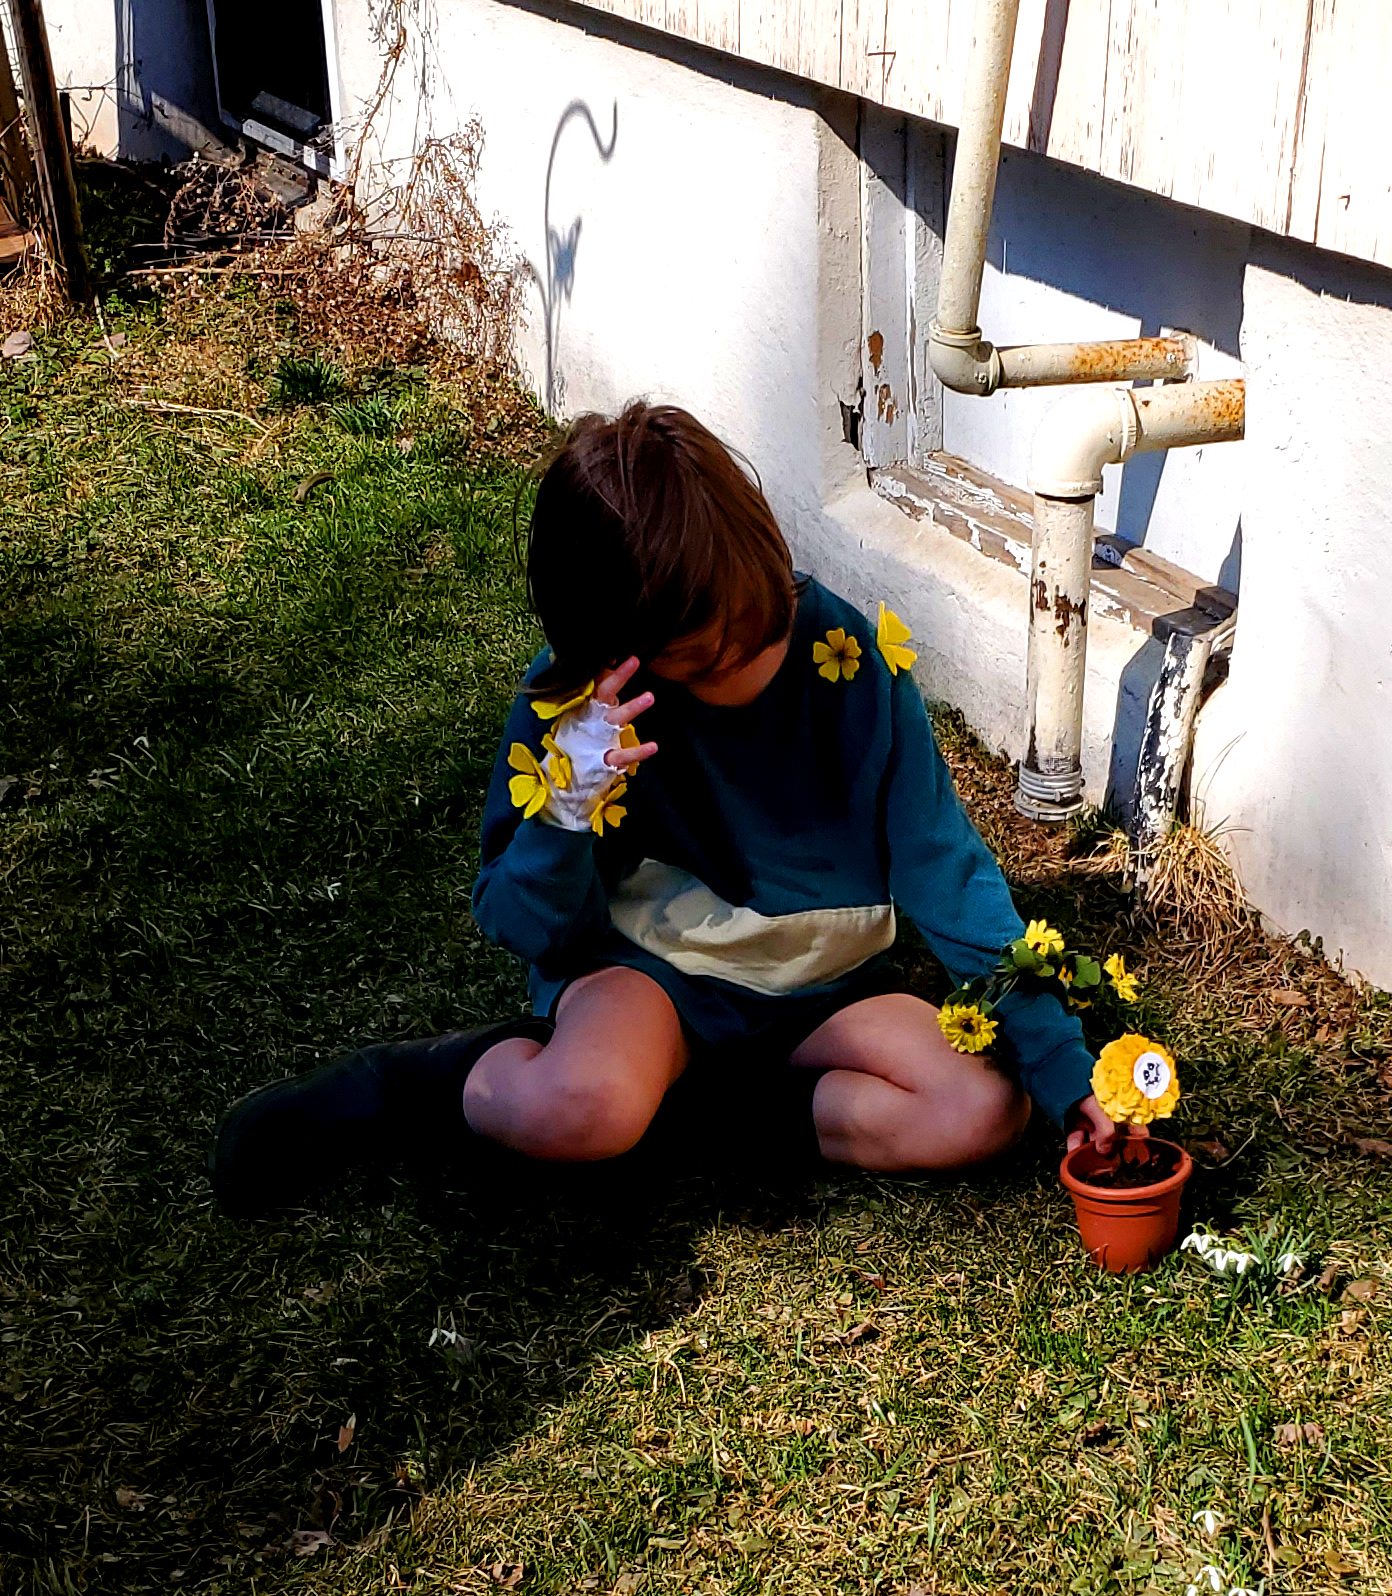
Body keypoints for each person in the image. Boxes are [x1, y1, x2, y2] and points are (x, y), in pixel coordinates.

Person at [209, 403, 1122, 1215]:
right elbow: (525, 922)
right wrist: (565, 815)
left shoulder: (851, 661)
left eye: (757, 623)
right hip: (649, 977)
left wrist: (1064, 1068)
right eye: (700, 659)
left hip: (817, 991)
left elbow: (945, 868)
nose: (742, 661)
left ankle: (694, 1110)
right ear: (616, 645)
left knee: (980, 1107)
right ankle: (413, 1085)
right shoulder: (577, 710)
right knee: (584, 1108)